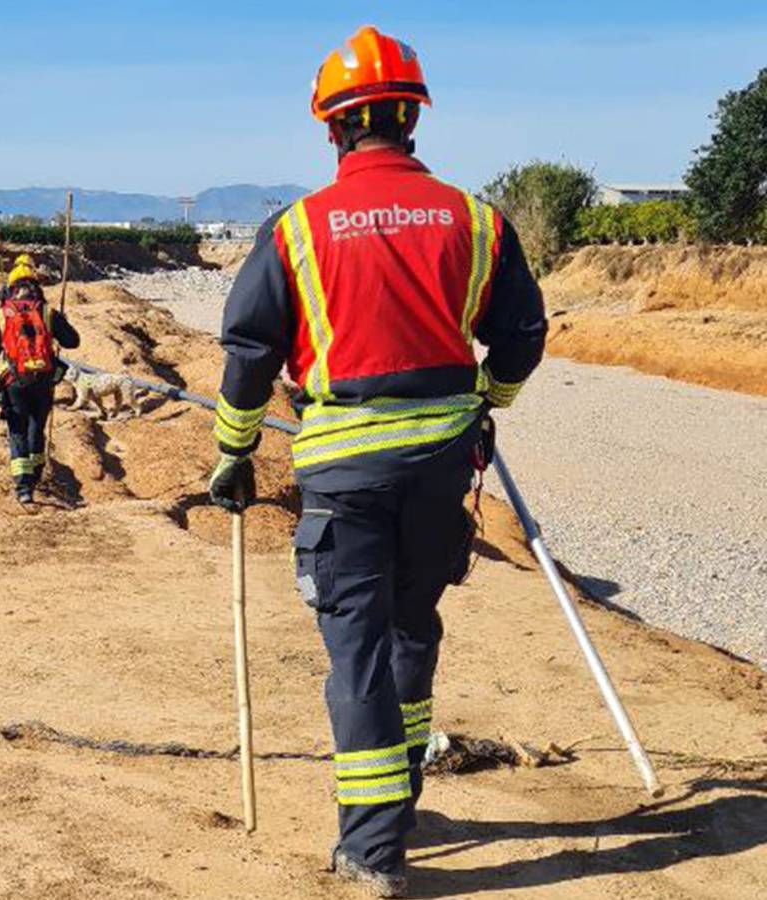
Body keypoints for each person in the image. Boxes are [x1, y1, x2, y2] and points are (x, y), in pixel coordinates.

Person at [207, 26, 546, 898]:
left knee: (354, 653)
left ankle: (372, 849)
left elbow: (249, 354)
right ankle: (401, 800)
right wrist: (488, 409)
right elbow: (520, 336)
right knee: (412, 626)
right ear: (411, 118)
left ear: (333, 129)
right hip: (441, 470)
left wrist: (233, 455)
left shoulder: (296, 231)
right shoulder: (474, 220)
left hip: (344, 480)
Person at [0, 262, 79, 504]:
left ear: (11, 288)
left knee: (17, 432)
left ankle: (23, 488)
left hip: (14, 381)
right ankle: (35, 476)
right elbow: (72, 342)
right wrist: (60, 323)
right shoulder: (46, 312)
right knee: (37, 429)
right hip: (44, 381)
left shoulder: (1, 315)